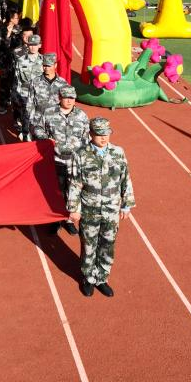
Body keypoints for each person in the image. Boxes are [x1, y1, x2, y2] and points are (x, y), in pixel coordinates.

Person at [68, 117, 135, 298]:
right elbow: (75, 183)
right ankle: (88, 278)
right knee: (89, 244)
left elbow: (125, 178)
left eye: (106, 134)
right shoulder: (80, 154)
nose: (104, 138)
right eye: (99, 134)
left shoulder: (118, 152)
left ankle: (102, 278)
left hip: (111, 208)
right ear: (90, 134)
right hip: (89, 207)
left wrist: (127, 204)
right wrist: (74, 208)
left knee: (108, 244)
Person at [46, 86, 88, 235]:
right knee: (56, 191)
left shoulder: (81, 115)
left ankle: (69, 220)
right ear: (60, 97)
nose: (69, 100)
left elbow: (87, 137)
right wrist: (47, 140)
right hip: (56, 160)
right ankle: (55, 220)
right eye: (66, 97)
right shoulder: (49, 113)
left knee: (73, 191)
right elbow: (38, 129)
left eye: (72, 98)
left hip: (74, 162)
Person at [28, 53, 71, 143]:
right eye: (44, 65)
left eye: (49, 66)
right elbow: (30, 103)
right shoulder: (35, 82)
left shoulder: (63, 83)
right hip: (39, 122)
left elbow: (67, 104)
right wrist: (31, 123)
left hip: (56, 123)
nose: (46, 68)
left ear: (55, 65)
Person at [13, 34, 43, 141]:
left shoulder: (44, 61)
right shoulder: (21, 60)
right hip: (25, 94)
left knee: (39, 118)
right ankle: (25, 134)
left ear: (40, 45)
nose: (33, 47)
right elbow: (17, 79)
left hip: (40, 95)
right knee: (26, 116)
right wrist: (17, 96)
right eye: (31, 45)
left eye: (35, 45)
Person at [0, 11, 22, 115]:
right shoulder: (2, 30)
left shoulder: (19, 30)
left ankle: (15, 104)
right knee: (4, 84)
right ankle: (3, 105)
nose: (17, 19)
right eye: (16, 18)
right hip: (5, 62)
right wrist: (8, 35)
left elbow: (20, 44)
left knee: (16, 84)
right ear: (11, 19)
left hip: (17, 62)